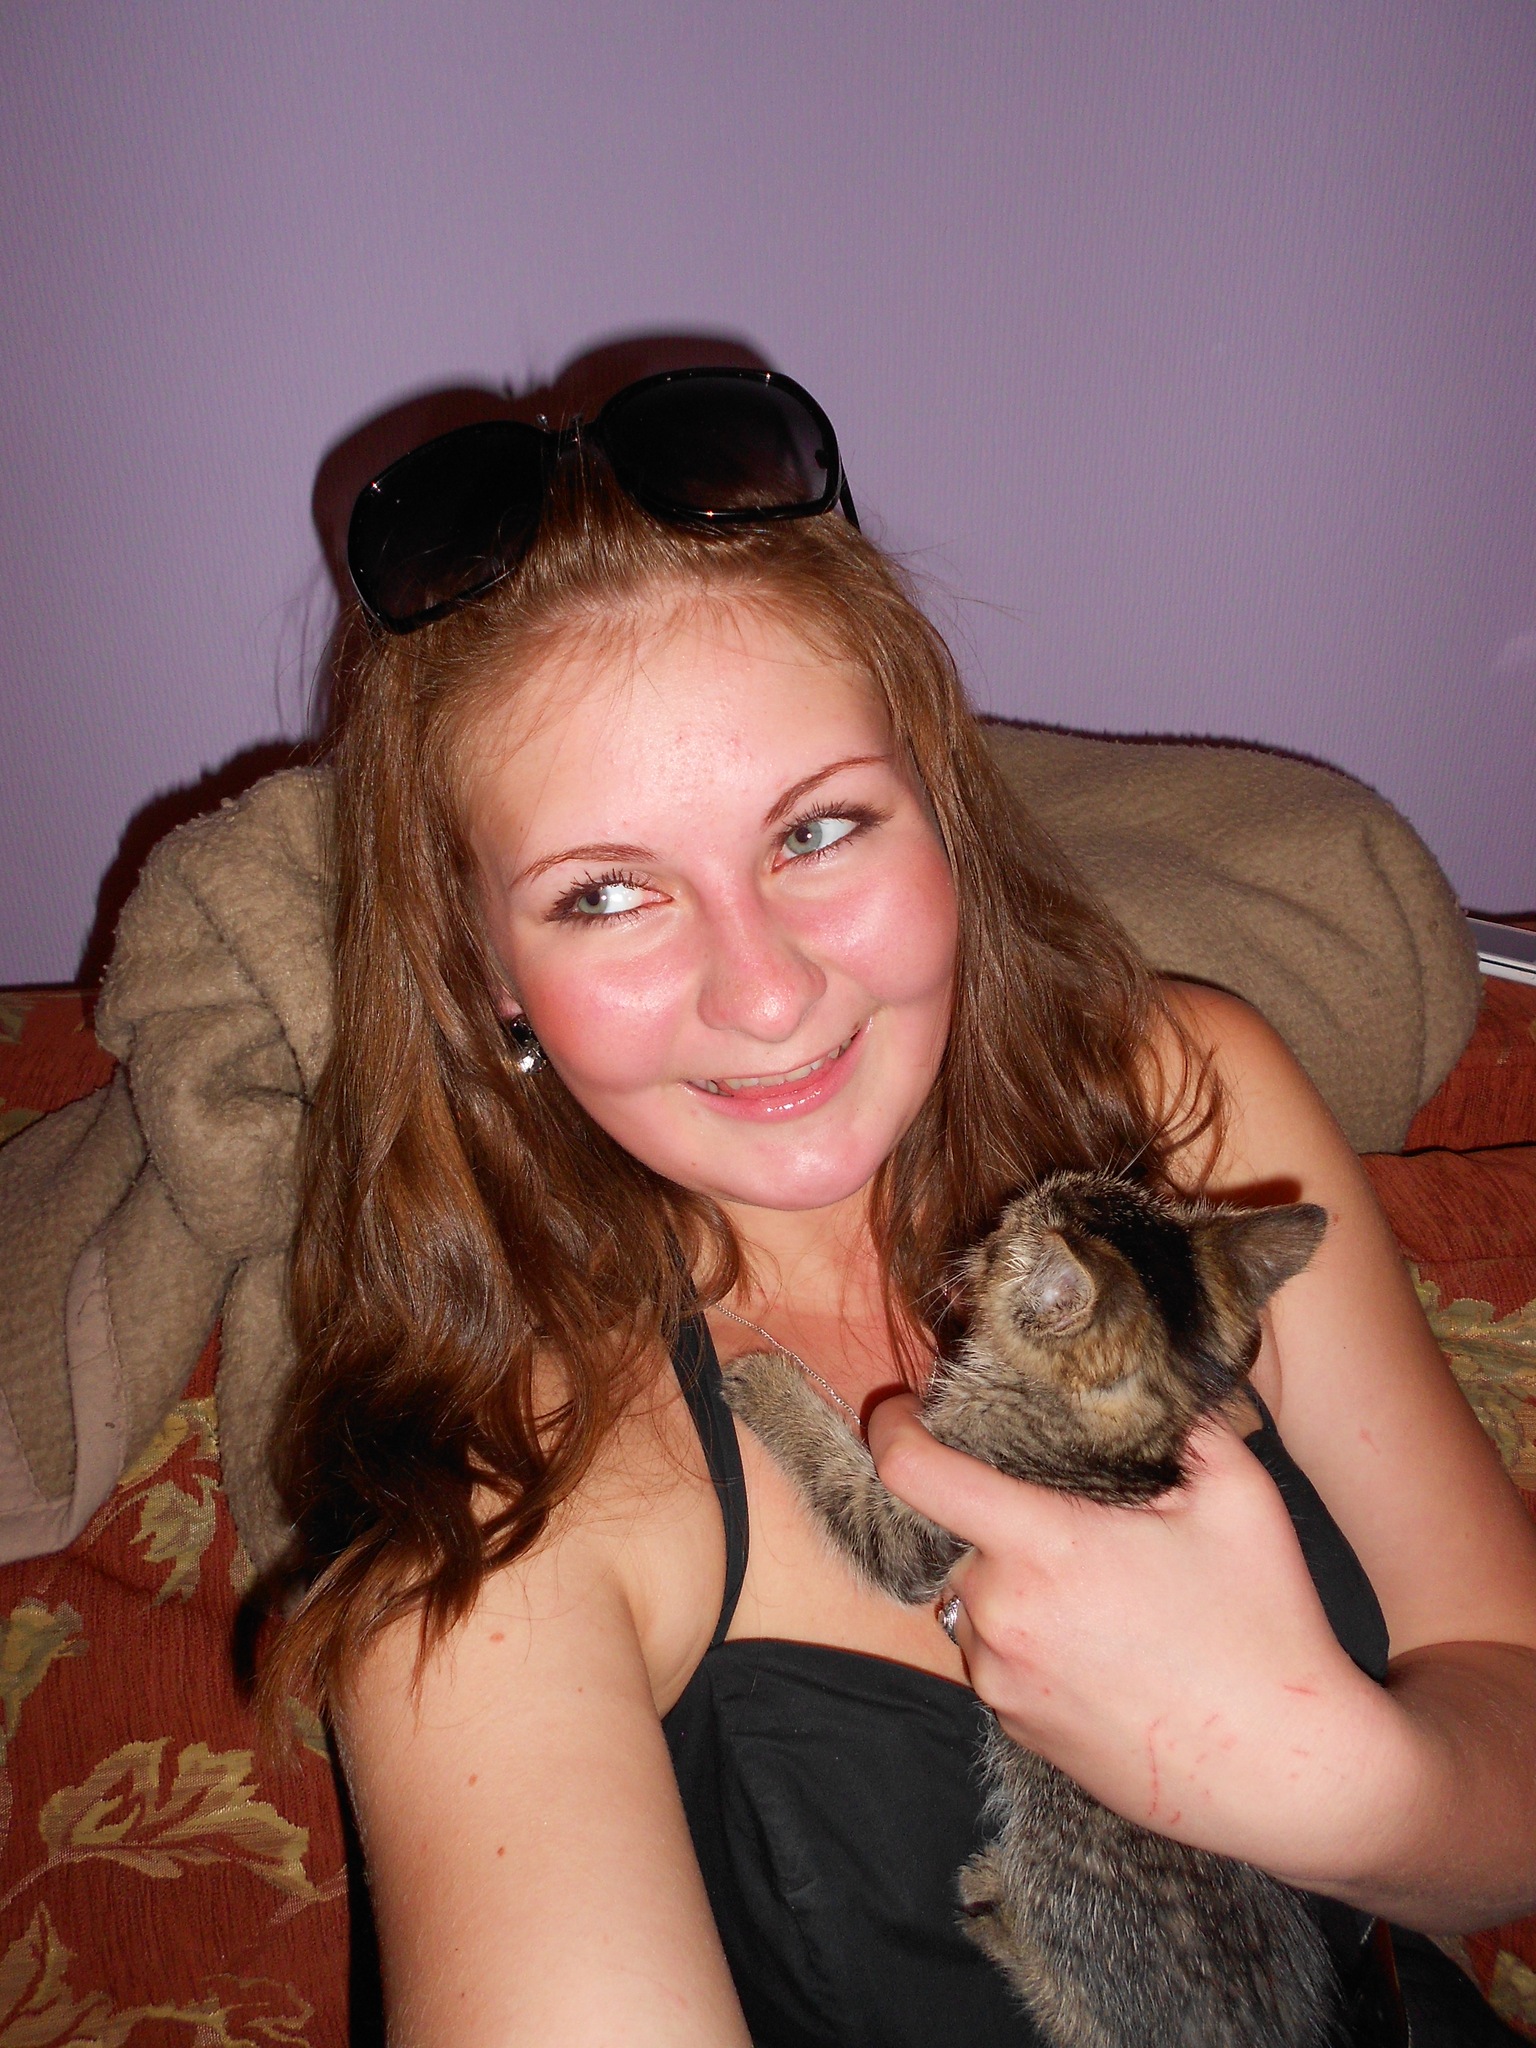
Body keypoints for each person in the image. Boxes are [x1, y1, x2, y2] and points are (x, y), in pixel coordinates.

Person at [265, 370, 1536, 2045]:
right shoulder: (506, 1508)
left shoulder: (1188, 1101)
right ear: (483, 965)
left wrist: (1337, 1784)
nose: (765, 991)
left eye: (818, 829)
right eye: (609, 894)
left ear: (938, 804)